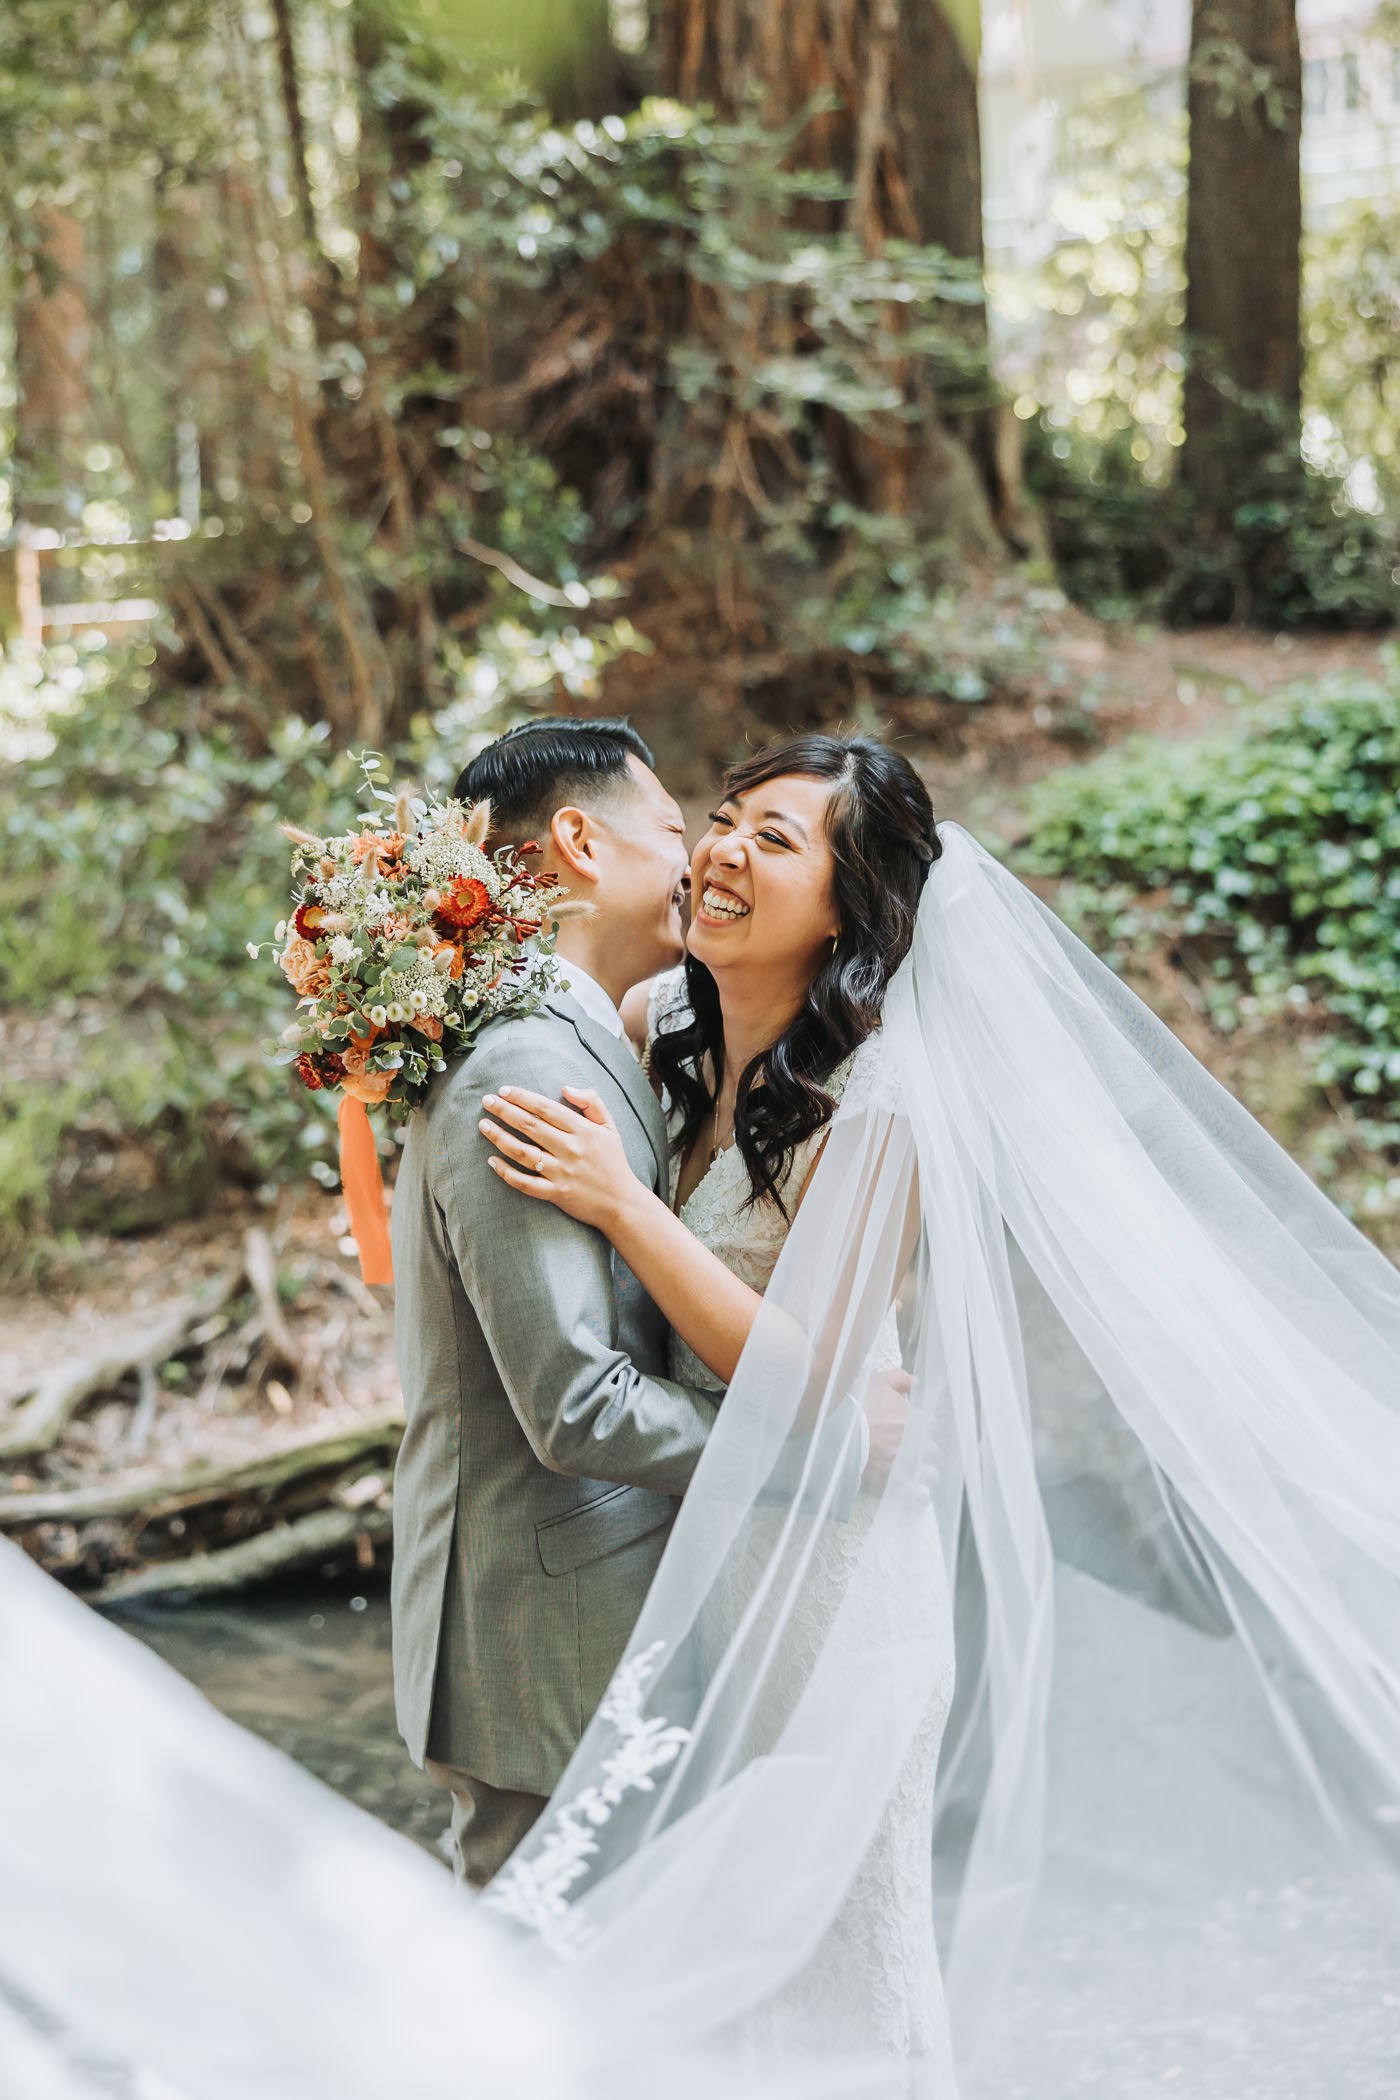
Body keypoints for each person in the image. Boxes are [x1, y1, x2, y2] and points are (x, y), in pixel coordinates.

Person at [478, 732, 1400, 2096]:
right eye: (724, 817)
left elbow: (810, 1371)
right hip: (690, 1541)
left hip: (837, 1578)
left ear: (845, 907)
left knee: (835, 1949)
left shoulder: (885, 1094)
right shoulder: (653, 1023)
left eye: (775, 840)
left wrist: (622, 1204)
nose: (721, 851)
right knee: (716, 1948)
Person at [389, 718, 873, 1889]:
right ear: (577, 843)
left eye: (762, 836)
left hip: (669, 1590)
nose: (700, 857)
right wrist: (822, 1460)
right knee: (545, 1967)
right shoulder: (529, 1062)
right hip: (550, 1623)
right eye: (684, 826)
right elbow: (576, 1405)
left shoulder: (622, 1037)